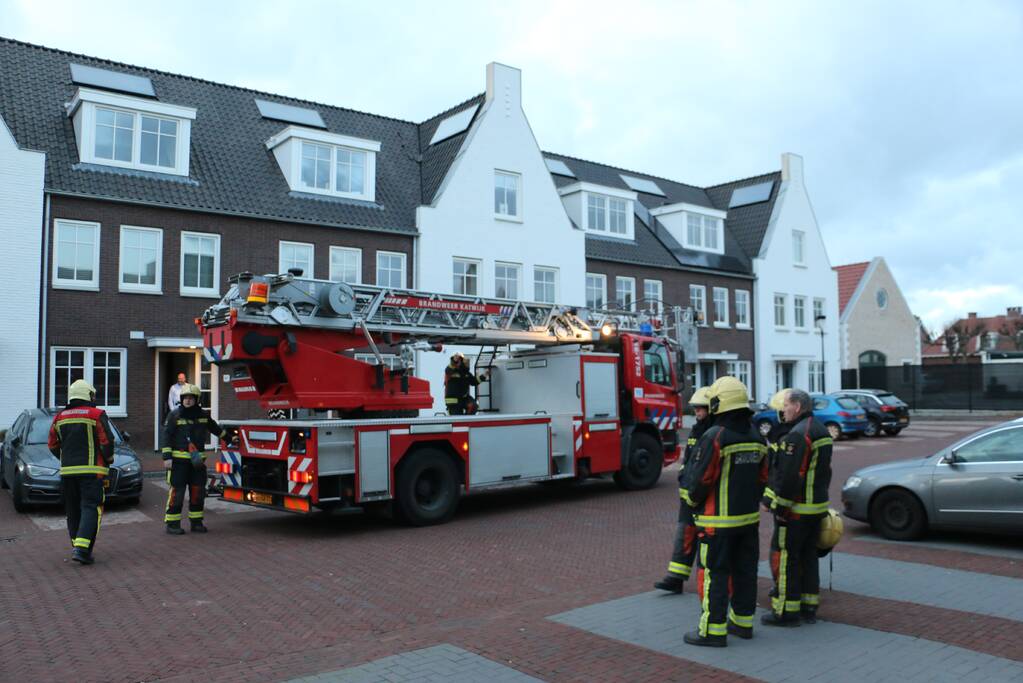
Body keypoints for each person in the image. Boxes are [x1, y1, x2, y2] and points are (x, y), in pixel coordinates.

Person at [680, 376, 768, 647]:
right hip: (748, 522)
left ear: (719, 402)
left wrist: (691, 502)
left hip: (715, 524)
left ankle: (712, 631)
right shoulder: (757, 436)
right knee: (745, 572)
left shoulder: (715, 436)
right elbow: (764, 477)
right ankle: (742, 624)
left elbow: (700, 480)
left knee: (714, 574)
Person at [762, 388, 833, 626]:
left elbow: (791, 476)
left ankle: (786, 612)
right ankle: (809, 606)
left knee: (787, 559)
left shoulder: (797, 435)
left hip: (797, 511)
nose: (783, 410)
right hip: (816, 508)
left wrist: (780, 509)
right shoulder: (820, 429)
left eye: (786, 405)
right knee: (809, 557)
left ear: (798, 407)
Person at [47, 379, 115, 565]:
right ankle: (82, 550)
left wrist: (65, 460)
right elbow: (107, 441)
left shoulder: (59, 417)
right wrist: (108, 460)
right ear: (88, 395)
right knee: (90, 507)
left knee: (73, 510)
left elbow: (52, 444)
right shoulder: (96, 414)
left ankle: (78, 546)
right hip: (93, 472)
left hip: (68, 472)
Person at [654, 386, 712, 593]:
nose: (696, 413)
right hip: (689, 494)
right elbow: (689, 459)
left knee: (706, 540)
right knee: (684, 535)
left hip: (705, 496)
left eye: (700, 409)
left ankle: (706, 581)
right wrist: (682, 476)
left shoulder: (714, 432)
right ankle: (676, 578)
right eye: (695, 409)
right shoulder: (697, 429)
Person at [161, 383, 222, 534]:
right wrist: (167, 457)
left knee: (198, 492)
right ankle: (172, 524)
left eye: (191, 398)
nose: (187, 401)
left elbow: (215, 428)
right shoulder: (174, 415)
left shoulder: (203, 415)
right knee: (177, 493)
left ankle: (196, 522)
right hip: (178, 463)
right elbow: (167, 436)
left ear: (196, 400)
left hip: (197, 463)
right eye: (185, 398)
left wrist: (231, 438)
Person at [762, 388, 792, 508]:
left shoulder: (782, 436)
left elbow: (775, 469)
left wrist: (768, 498)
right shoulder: (805, 429)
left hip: (782, 498)